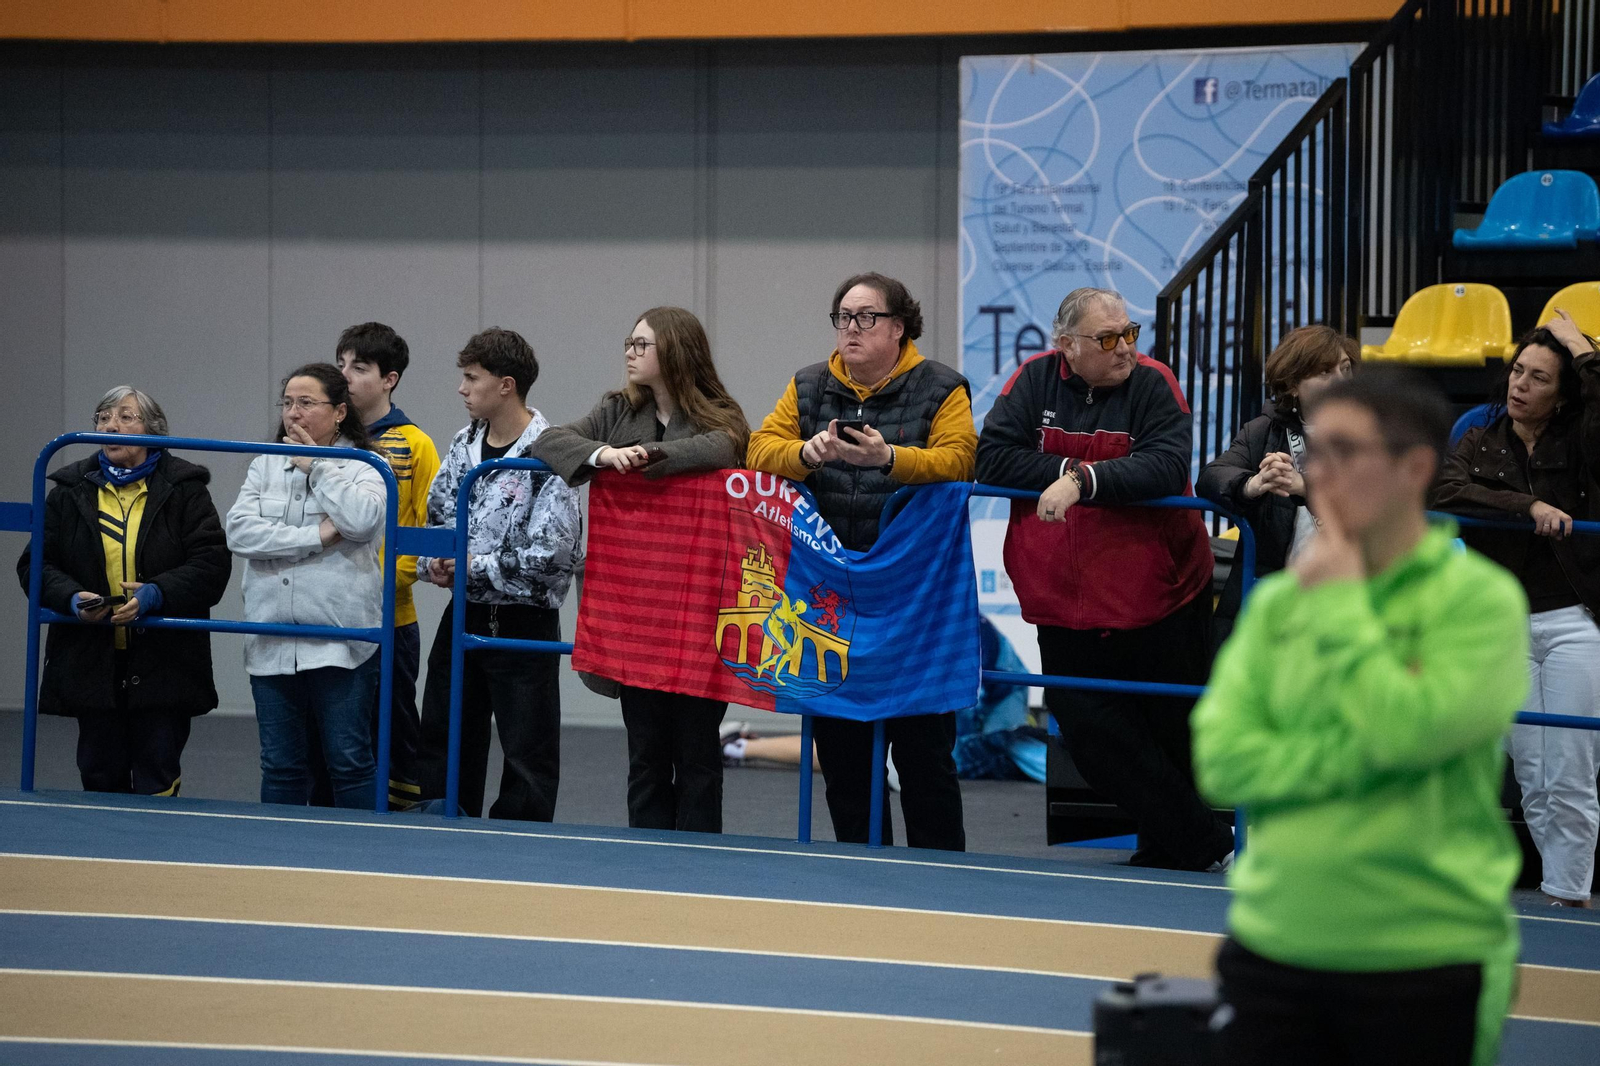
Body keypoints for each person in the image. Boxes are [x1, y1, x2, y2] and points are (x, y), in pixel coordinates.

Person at [1194, 368, 1528, 1066]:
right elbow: (1223, 762)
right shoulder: (1284, 603)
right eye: (1317, 452)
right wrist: (1364, 760)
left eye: (1347, 453)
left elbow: (1410, 734)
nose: (1322, 472)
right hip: (1273, 942)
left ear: (1414, 468)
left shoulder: (1479, 601)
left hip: (1423, 954)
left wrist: (1344, 612)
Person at [975, 286, 1232, 872]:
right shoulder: (1031, 382)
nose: (1126, 350)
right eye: (1109, 338)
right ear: (1065, 345)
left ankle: (1171, 851)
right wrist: (1069, 469)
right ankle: (1211, 843)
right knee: (1091, 738)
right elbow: (992, 456)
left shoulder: (1154, 382)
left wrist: (1084, 484)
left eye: (1130, 333)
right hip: (1061, 602)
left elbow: (1166, 464)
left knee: (1171, 734)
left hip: (1160, 595)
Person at [746, 271, 976, 851]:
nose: (851, 328)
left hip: (913, 601)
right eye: (843, 316)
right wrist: (805, 452)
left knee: (924, 752)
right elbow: (758, 449)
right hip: (829, 599)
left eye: (866, 317)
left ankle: (943, 877)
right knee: (844, 755)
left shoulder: (944, 387)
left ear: (899, 327)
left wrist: (890, 457)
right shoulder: (806, 385)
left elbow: (960, 460)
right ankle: (861, 870)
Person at [531, 306, 749, 834]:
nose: (629, 354)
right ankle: (645, 861)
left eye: (641, 345)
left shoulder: (721, 414)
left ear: (673, 351)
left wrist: (643, 456)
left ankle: (700, 865)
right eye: (629, 343)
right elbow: (549, 441)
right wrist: (605, 455)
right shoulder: (615, 409)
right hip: (640, 615)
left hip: (700, 616)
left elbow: (725, 445)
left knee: (698, 756)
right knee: (646, 753)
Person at [1433, 310, 1600, 908]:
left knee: (1571, 766)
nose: (1520, 386)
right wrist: (1526, 505)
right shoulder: (1482, 436)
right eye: (1517, 372)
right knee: (1531, 771)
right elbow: (1447, 489)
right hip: (1504, 623)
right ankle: (1560, 889)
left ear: (1563, 394)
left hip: (1573, 622)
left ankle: (1571, 892)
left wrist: (1584, 352)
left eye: (1538, 378)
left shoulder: (1583, 440)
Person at [15, 387, 231, 795]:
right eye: (102, 417)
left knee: (158, 774)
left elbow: (212, 565)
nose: (110, 426)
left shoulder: (185, 488)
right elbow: (35, 565)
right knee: (98, 774)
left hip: (164, 659)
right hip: (90, 656)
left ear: (153, 429)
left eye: (126, 417)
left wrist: (157, 593)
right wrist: (72, 598)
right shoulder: (69, 489)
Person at [413, 327, 582, 821]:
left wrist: (472, 566)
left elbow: (552, 554)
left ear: (506, 385)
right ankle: (442, 822)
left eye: (472, 378)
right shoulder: (462, 444)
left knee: (527, 748)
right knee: (444, 730)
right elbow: (436, 519)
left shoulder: (550, 452)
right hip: (463, 612)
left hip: (524, 623)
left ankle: (519, 843)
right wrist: (436, 564)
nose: (462, 389)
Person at [225, 364, 388, 809]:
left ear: (338, 413)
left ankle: (364, 860)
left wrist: (318, 468)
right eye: (287, 403)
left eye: (306, 403)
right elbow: (239, 533)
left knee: (350, 762)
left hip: (341, 641)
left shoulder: (366, 465)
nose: (293, 414)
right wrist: (314, 536)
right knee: (281, 766)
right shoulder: (265, 462)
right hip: (271, 639)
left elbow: (359, 520)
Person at [334, 321, 440, 810]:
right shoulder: (324, 440)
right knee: (335, 724)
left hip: (390, 618)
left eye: (359, 367)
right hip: (329, 614)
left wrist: (378, 578)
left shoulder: (415, 443)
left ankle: (399, 825)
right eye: (341, 365)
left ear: (389, 379)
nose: (346, 376)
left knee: (394, 724)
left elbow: (426, 533)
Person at [1197, 325, 1357, 638]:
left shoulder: (1370, 430)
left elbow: (1373, 501)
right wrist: (1252, 485)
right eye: (1325, 372)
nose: (1340, 381)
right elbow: (1210, 477)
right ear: (1293, 385)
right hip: (1277, 595)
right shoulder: (1263, 431)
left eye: (1346, 369)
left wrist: (1305, 487)